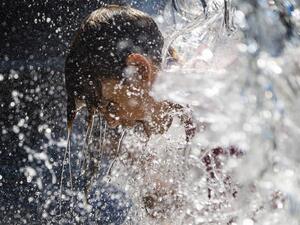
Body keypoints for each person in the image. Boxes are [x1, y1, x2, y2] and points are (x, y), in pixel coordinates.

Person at [64, 4, 195, 223]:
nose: (113, 123)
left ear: (139, 70)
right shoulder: (168, 131)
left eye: (111, 106)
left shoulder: (216, 124)